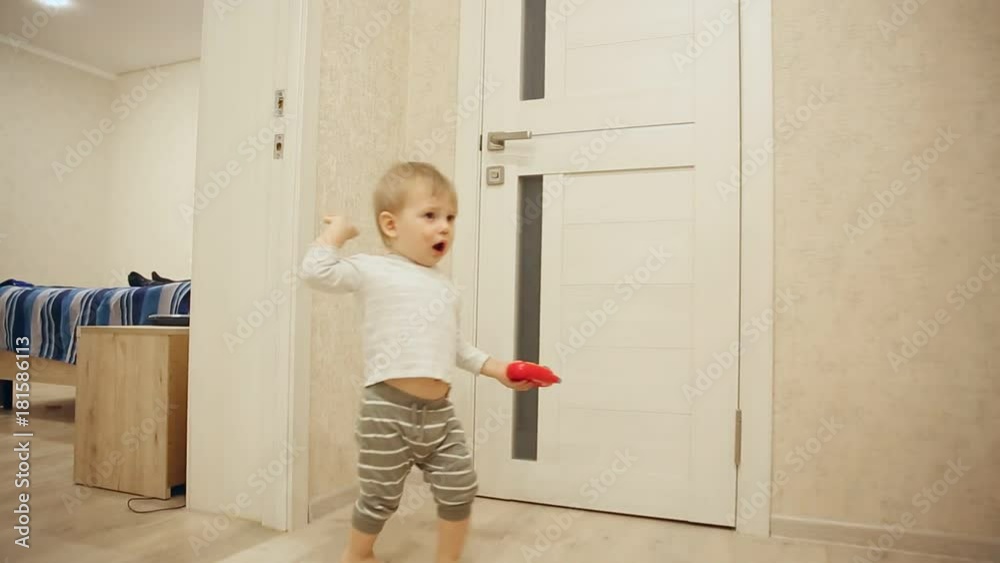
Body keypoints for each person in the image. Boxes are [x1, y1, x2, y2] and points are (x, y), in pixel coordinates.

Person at [300, 161, 546, 563]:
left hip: (439, 415)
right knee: (380, 497)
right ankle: (357, 555)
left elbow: (457, 348)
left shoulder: (446, 288)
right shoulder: (373, 269)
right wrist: (336, 233)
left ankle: (448, 559)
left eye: (450, 217)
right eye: (430, 215)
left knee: (460, 487)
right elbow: (315, 272)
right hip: (386, 412)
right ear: (392, 225)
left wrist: (499, 369)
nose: (445, 226)